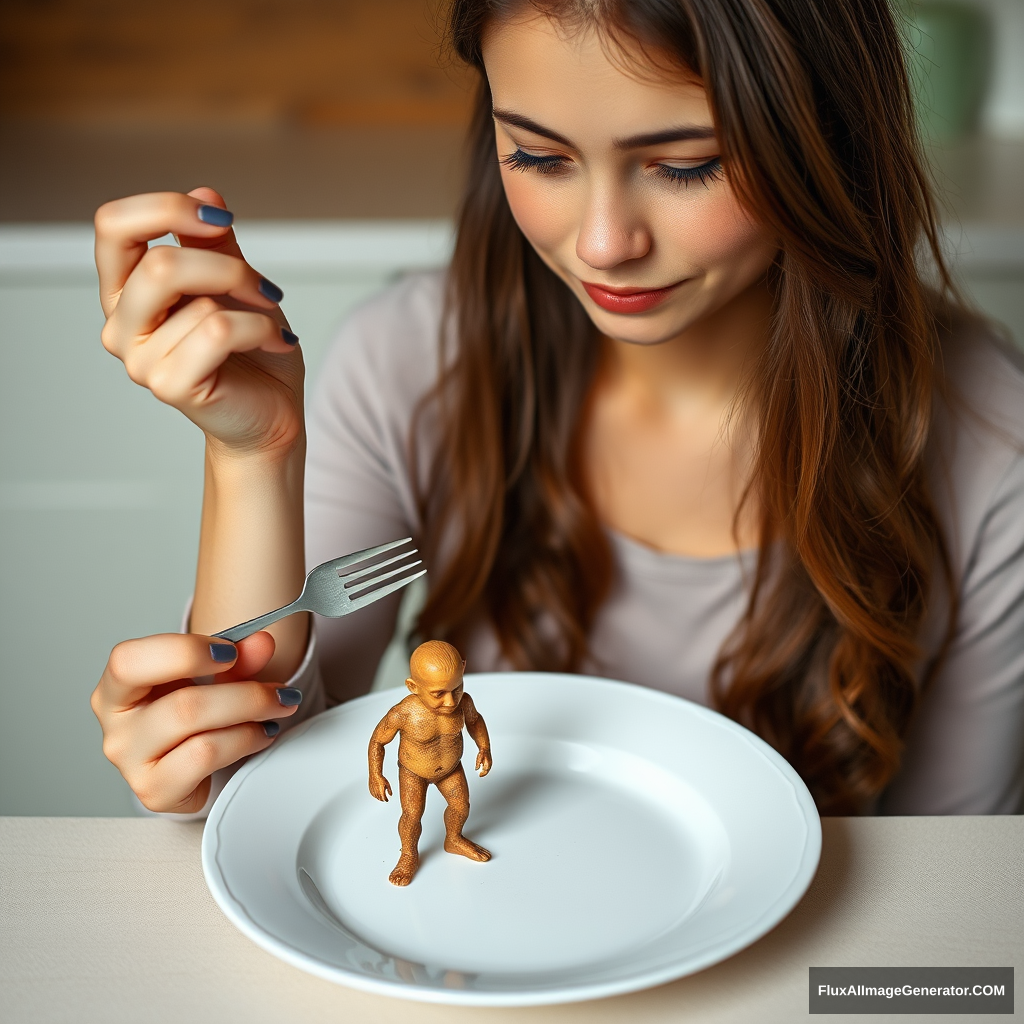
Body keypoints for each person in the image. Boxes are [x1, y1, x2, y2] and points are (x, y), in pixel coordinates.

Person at [89, 0, 1024, 819]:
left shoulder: (991, 440)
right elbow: (247, 795)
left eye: (687, 165)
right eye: (537, 155)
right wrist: (256, 457)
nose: (604, 244)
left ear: (826, 138)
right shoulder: (413, 359)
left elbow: (951, 913)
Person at [368, 640, 492, 886]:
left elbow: (475, 721)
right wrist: (375, 775)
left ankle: (453, 839)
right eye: (438, 694)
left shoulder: (463, 702)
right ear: (413, 686)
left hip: (450, 768)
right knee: (412, 814)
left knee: (461, 806)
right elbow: (378, 741)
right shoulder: (403, 713)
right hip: (414, 772)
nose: (450, 701)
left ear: (463, 669)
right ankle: (408, 854)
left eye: (456, 689)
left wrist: (484, 747)